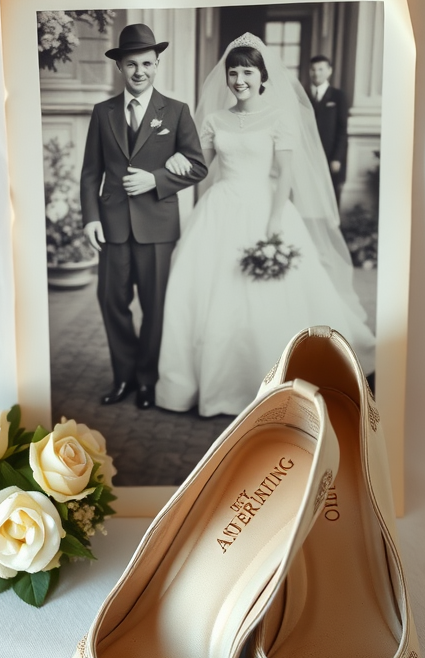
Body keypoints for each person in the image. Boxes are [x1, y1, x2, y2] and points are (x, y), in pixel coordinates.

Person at [155, 34, 375, 417]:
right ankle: (211, 383)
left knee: (270, 297)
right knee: (210, 294)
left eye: (247, 71)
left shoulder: (280, 118)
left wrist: (274, 224)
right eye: (233, 71)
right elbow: (199, 167)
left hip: (266, 207)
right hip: (219, 210)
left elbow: (286, 176)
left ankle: (274, 381)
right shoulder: (214, 119)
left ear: (262, 76)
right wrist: (172, 166)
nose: (239, 79)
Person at [80, 23, 208, 409]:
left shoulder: (177, 111)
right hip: (113, 225)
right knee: (111, 301)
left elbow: (199, 167)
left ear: (157, 64)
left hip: (157, 227)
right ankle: (124, 377)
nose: (140, 72)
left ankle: (148, 380)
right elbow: (90, 172)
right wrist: (90, 217)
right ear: (120, 67)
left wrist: (155, 180)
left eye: (147, 64)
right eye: (132, 64)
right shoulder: (102, 113)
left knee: (155, 307)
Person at [308, 55, 348, 204]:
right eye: (313, 69)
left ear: (329, 71)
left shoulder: (338, 96)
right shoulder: (303, 96)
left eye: (320, 69)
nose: (316, 73)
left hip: (330, 156)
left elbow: (342, 130)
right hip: (309, 155)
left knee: (330, 196)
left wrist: (337, 158)